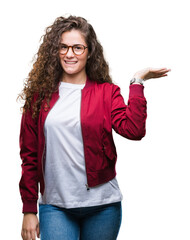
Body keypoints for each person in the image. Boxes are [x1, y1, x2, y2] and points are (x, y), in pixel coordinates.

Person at [18, 15, 170, 240]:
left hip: (103, 206)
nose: (70, 54)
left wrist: (137, 82)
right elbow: (29, 155)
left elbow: (134, 130)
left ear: (89, 52)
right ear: (55, 51)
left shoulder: (106, 93)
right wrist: (29, 208)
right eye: (63, 47)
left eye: (78, 47)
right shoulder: (39, 98)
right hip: (55, 206)